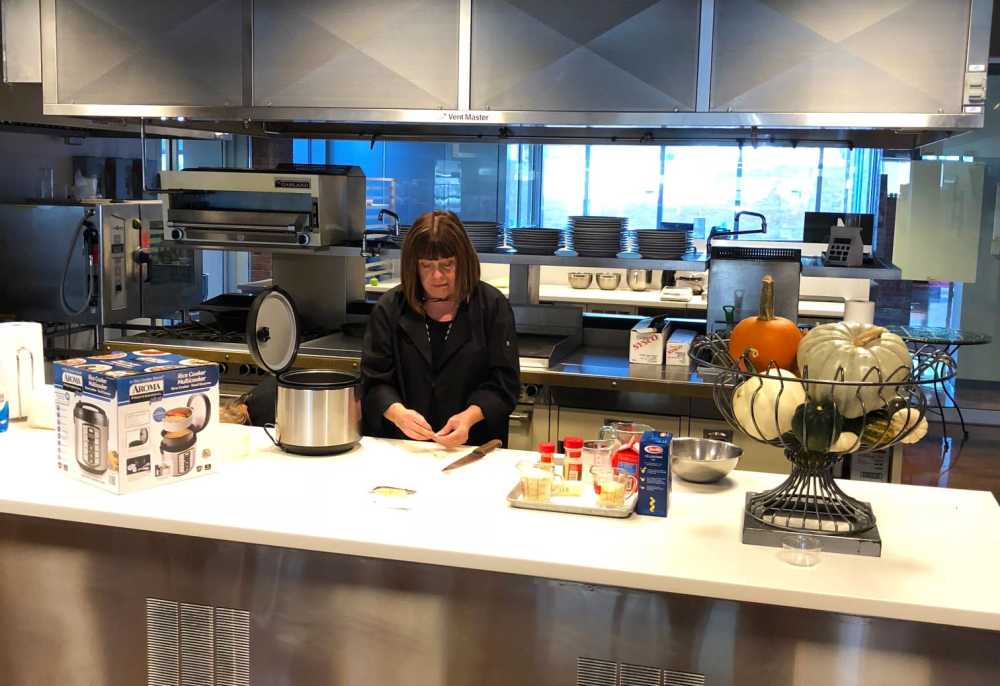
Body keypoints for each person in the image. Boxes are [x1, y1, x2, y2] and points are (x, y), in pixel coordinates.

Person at [361, 210, 520, 448]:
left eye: (448, 265)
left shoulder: (491, 306)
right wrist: (398, 414)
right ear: (413, 267)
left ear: (463, 261)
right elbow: (374, 383)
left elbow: (504, 385)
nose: (437, 276)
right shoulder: (390, 308)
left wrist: (469, 417)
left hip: (473, 450)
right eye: (426, 266)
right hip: (403, 449)